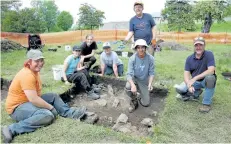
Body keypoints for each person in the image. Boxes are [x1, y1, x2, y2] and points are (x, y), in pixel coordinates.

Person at [2, 50, 87, 143]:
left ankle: (70, 113)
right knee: (47, 115)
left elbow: (34, 97)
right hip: (17, 108)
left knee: (53, 96)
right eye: (37, 61)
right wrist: (50, 107)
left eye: (41, 60)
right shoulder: (27, 75)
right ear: (29, 62)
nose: (40, 63)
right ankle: (11, 129)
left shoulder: (34, 71)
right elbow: (34, 99)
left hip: (27, 101)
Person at [174, 37, 216, 113]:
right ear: (194, 46)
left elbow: (211, 70)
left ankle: (206, 104)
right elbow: (186, 75)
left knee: (210, 78)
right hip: (195, 82)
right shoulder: (189, 58)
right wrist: (189, 85)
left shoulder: (209, 54)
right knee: (181, 89)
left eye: (201, 45)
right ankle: (196, 92)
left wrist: (195, 78)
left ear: (204, 46)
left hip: (204, 81)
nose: (198, 47)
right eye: (196, 45)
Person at [125, 39, 155, 113]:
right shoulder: (132, 59)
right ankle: (134, 100)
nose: (140, 50)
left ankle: (139, 94)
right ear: (136, 49)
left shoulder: (150, 58)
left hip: (144, 80)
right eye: (138, 47)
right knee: (128, 86)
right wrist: (132, 85)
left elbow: (151, 73)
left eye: (142, 47)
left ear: (145, 48)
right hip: (134, 78)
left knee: (146, 103)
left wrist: (150, 84)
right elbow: (129, 74)